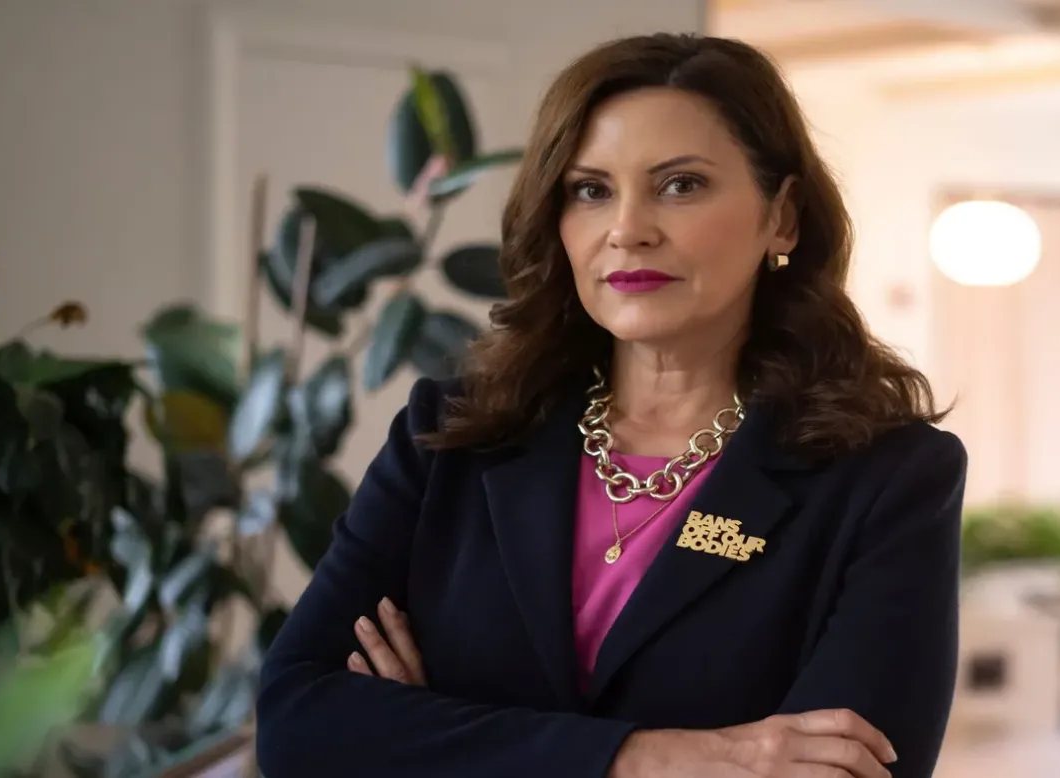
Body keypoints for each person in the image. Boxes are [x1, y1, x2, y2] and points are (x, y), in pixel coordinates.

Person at [255, 32, 966, 778]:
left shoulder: (889, 477)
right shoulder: (450, 434)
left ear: (782, 216)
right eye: (590, 190)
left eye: (681, 185)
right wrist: (650, 758)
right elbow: (297, 723)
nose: (628, 231)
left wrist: (426, 737)